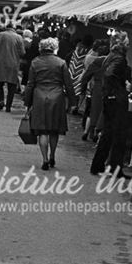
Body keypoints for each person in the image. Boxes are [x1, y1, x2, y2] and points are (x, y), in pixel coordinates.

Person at [23, 37, 76, 171]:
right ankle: (52, 155)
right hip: (57, 98)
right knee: (54, 130)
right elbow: (68, 84)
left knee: (43, 131)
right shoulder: (61, 63)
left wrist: (27, 102)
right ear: (54, 48)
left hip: (39, 97)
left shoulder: (35, 62)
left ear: (41, 48)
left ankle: (45, 159)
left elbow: (30, 84)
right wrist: (72, 101)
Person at [90, 32, 132, 176]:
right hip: (115, 99)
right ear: (121, 44)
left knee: (108, 133)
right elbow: (109, 74)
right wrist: (119, 89)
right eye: (127, 42)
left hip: (109, 97)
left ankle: (99, 165)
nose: (129, 44)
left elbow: (108, 74)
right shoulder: (120, 58)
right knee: (118, 134)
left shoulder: (110, 56)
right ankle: (115, 168)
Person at [80, 39, 110, 141]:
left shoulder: (96, 61)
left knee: (93, 111)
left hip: (96, 88)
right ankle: (98, 132)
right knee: (103, 112)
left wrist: (82, 90)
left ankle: (88, 131)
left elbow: (86, 76)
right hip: (108, 89)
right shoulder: (111, 62)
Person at [0, 24, 26, 112]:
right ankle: (8, 106)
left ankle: (1, 100)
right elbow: (22, 52)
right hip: (13, 64)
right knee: (12, 86)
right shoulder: (18, 37)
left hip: (0, 63)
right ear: (14, 29)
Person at [68, 34, 93, 116]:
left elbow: (74, 58)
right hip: (81, 71)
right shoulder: (89, 50)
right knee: (80, 91)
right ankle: (75, 107)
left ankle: (70, 106)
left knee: (71, 90)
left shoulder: (78, 47)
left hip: (72, 69)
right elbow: (86, 63)